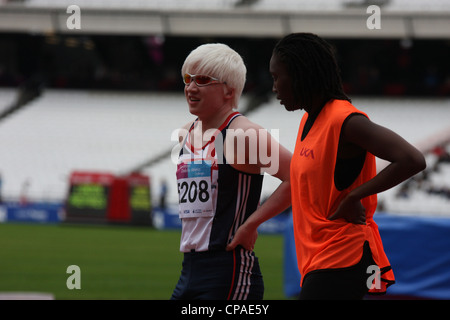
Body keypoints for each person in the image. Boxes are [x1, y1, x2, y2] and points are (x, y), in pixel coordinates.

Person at [269, 33, 426, 300]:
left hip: (342, 254)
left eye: (276, 77)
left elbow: (412, 159)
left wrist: (356, 196)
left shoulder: (345, 120)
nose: (273, 88)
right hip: (317, 256)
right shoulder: (308, 119)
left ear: (300, 74)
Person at [170, 43, 292, 300]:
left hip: (230, 268)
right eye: (188, 79)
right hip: (189, 268)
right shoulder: (185, 133)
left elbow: (298, 177)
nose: (191, 87)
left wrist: (252, 223)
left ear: (229, 90)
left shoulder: (242, 133)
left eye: (202, 80)